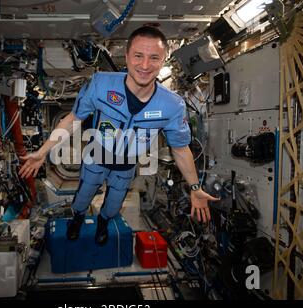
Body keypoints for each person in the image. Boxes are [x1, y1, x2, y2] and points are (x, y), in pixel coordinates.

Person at [19, 26, 219, 246]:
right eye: (138, 56)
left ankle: (103, 224)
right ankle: (77, 219)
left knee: (113, 205)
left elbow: (181, 149)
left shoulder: (172, 105)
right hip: (96, 155)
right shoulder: (100, 84)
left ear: (163, 60)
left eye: (154, 57)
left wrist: (195, 188)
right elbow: (73, 119)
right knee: (83, 197)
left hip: (126, 164)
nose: (144, 65)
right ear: (126, 56)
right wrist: (42, 152)